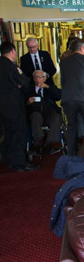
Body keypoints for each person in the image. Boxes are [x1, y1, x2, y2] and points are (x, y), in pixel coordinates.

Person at [0, 42, 37, 171]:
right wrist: (19, 84)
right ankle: (19, 163)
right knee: (18, 133)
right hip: (14, 106)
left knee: (7, 133)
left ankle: (7, 159)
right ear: (13, 51)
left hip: (2, 107)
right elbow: (25, 82)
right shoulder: (12, 67)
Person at [60, 40, 84, 156]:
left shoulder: (64, 63)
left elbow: (63, 82)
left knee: (71, 127)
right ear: (82, 48)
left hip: (68, 99)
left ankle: (71, 153)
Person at [26, 70, 63, 154]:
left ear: (45, 78)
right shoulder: (29, 88)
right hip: (36, 112)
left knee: (57, 117)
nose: (38, 79)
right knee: (35, 115)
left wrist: (47, 87)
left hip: (49, 112)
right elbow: (23, 101)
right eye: (36, 77)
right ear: (33, 79)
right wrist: (28, 101)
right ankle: (38, 142)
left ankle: (49, 144)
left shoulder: (50, 87)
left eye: (41, 77)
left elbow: (58, 96)